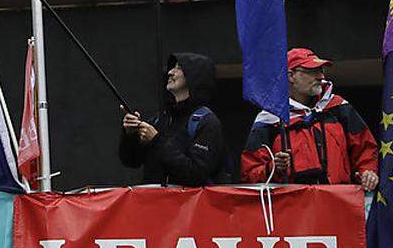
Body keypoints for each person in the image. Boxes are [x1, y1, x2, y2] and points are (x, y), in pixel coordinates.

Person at [240, 48, 377, 189]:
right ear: (291, 76)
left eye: (321, 70)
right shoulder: (270, 119)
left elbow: (365, 148)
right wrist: (274, 168)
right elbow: (249, 174)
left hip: (338, 202)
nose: (320, 77)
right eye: (312, 72)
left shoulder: (338, 108)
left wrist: (367, 172)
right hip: (292, 206)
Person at [119, 53, 229, 186]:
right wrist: (130, 135)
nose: (170, 72)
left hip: (191, 205)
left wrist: (156, 140)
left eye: (179, 68)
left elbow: (196, 175)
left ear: (195, 76)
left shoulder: (207, 123)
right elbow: (131, 161)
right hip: (153, 204)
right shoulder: (159, 120)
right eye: (172, 68)